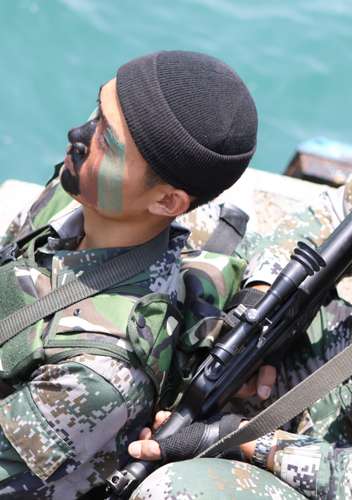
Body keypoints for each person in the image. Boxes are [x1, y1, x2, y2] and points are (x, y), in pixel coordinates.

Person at [129, 14, 352, 499]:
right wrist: (264, 310)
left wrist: (251, 444)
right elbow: (331, 218)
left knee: (174, 491)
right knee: (190, 258)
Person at [0, 50, 257, 498]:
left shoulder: (99, 374)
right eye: (97, 113)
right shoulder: (85, 192)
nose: (78, 135)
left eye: (107, 140)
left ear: (167, 202)